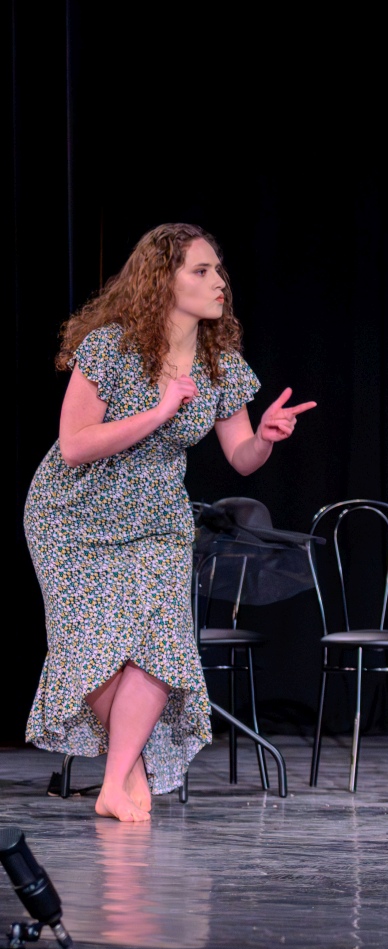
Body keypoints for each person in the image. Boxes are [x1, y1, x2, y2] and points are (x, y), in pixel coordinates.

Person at [24, 223, 316, 823]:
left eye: (219, 270)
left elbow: (241, 458)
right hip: (72, 514)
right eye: (201, 271)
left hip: (157, 518)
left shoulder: (219, 364)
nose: (219, 281)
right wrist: (159, 412)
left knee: (160, 647)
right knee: (92, 648)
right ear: (163, 280)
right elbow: (74, 445)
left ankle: (113, 782)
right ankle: (127, 775)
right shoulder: (110, 347)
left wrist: (264, 437)